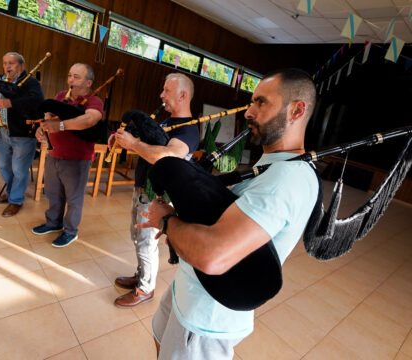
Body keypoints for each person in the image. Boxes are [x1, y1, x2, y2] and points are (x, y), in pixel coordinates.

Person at [138, 68, 319, 359]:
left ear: (297, 110)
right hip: (190, 290)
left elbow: (213, 256)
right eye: (252, 102)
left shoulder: (285, 179)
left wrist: (166, 221)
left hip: (207, 316)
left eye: (261, 103)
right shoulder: (274, 167)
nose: (249, 112)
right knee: (160, 336)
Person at [109, 73, 200, 308]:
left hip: (157, 196)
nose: (161, 95)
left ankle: (145, 288)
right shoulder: (163, 121)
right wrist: (121, 139)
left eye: (166, 91)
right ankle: (141, 275)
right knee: (138, 237)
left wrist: (134, 144)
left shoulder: (188, 130)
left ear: (183, 95)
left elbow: (165, 155)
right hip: (142, 188)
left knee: (146, 242)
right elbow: (143, 143)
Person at [32, 63, 103, 247]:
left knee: (73, 199)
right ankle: (53, 223)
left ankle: (70, 231)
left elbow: (89, 120)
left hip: (77, 159)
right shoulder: (62, 96)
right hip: (54, 154)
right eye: (70, 75)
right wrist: (42, 128)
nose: (71, 79)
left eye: (76, 76)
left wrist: (61, 126)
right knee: (53, 193)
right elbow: (49, 117)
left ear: (88, 82)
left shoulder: (94, 101)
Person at [0, 52, 44, 217]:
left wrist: (11, 103)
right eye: (5, 63)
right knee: (4, 166)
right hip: (2, 132)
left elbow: (36, 102)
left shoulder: (31, 83)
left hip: (23, 134)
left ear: (21, 66)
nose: (7, 67)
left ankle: (16, 200)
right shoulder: (0, 81)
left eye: (12, 63)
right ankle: (11, 193)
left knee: (19, 170)